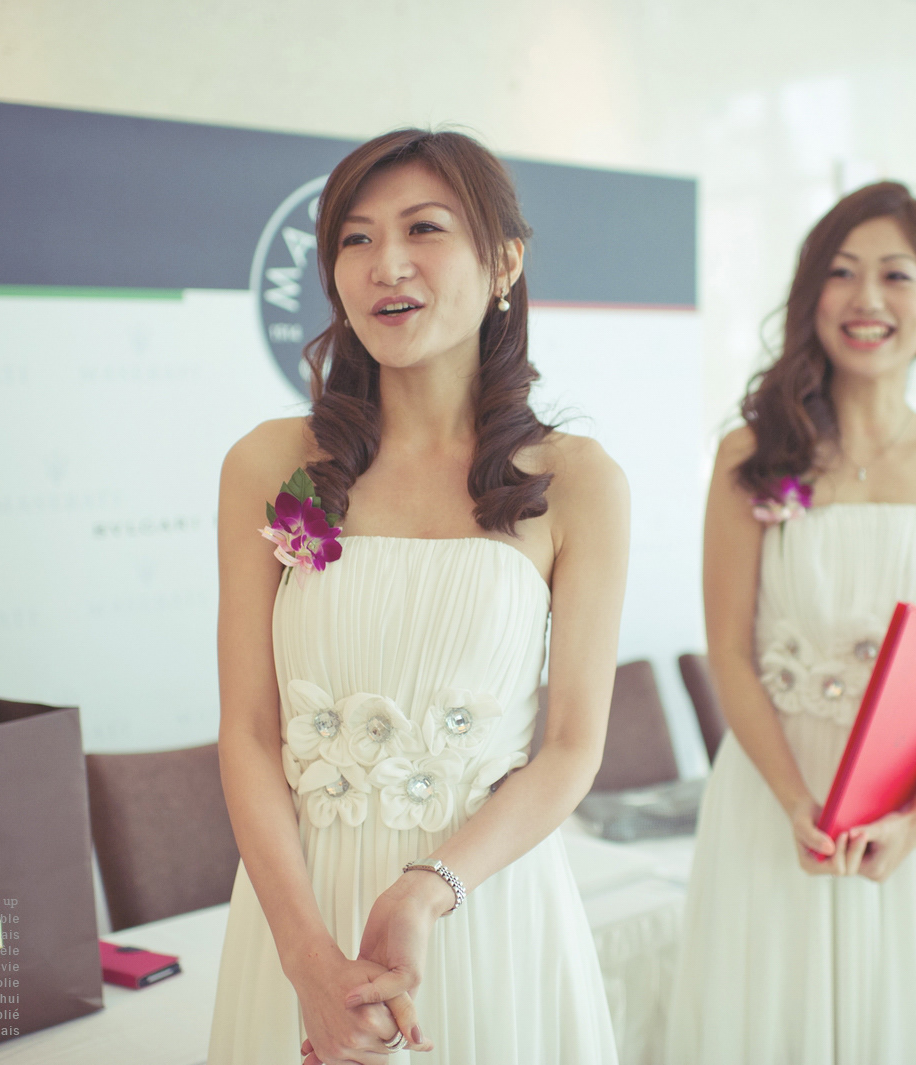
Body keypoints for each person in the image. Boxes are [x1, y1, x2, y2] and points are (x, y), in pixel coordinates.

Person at [206, 128, 627, 1065]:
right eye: (355, 238)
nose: (385, 264)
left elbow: (571, 747)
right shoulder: (269, 463)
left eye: (423, 229)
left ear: (504, 262)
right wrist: (307, 959)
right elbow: (249, 733)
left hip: (483, 902)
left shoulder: (577, 480)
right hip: (300, 909)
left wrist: (428, 888)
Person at [665, 181, 916, 1063]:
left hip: (910, 796)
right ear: (812, 293)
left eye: (896, 275)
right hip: (772, 787)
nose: (867, 298)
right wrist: (795, 801)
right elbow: (729, 651)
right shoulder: (750, 453)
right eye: (843, 272)